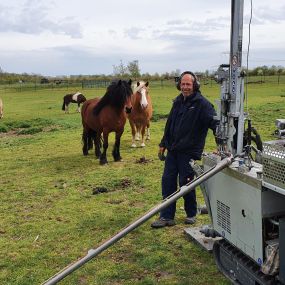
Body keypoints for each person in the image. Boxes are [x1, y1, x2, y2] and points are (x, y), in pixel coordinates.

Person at [151, 71, 218, 228]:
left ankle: (191, 213)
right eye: (183, 84)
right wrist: (163, 143)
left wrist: (220, 146)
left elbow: (216, 125)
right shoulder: (178, 102)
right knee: (167, 181)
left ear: (194, 85)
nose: (185, 87)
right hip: (172, 150)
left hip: (189, 151)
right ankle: (166, 216)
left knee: (186, 182)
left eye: (188, 84)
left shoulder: (203, 105)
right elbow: (170, 125)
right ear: (179, 85)